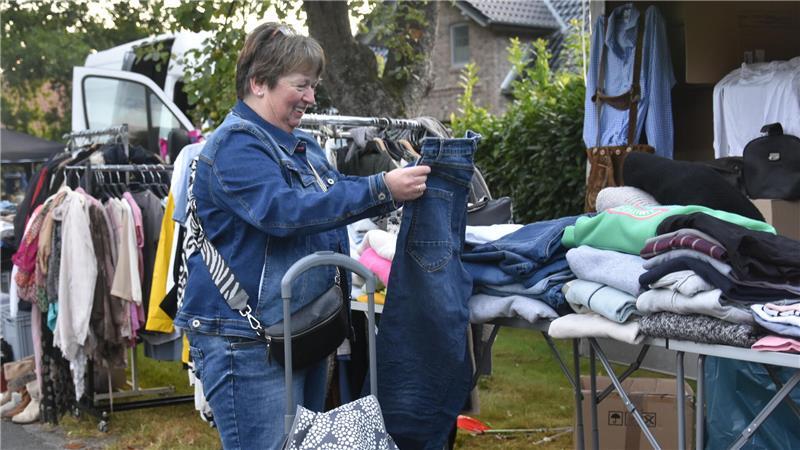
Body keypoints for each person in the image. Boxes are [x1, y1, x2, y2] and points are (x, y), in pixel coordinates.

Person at [174, 23, 430, 449]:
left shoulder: (302, 145)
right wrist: (381, 188)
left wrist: (386, 190)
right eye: (301, 85)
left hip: (300, 329)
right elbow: (284, 212)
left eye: (314, 86)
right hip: (247, 342)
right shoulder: (235, 147)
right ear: (259, 83)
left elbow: (333, 196)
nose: (311, 98)